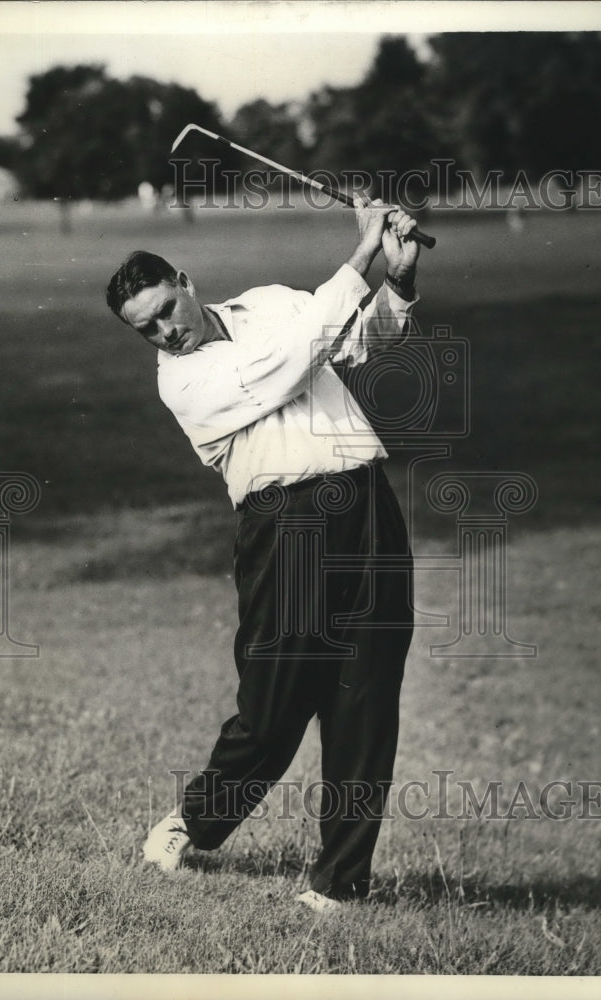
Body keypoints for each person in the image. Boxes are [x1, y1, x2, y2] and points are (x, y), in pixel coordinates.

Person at [105, 198, 420, 912]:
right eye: (145, 328)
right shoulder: (180, 380)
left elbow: (357, 344)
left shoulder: (273, 303)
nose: (164, 332)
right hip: (286, 528)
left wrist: (395, 282)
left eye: (164, 310)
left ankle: (338, 884)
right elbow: (291, 362)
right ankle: (196, 819)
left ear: (184, 280)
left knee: (365, 697)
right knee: (274, 707)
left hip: (367, 507)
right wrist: (359, 254)